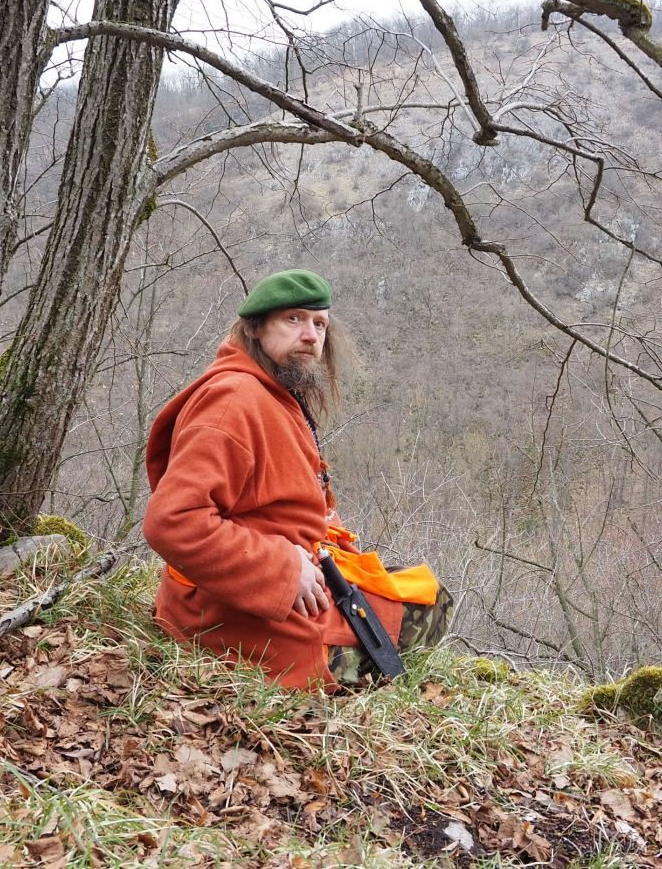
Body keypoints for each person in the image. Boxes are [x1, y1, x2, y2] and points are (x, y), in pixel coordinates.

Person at [142, 269, 450, 691]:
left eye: (319, 324)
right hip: (228, 610)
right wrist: (283, 569)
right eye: (294, 319)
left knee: (424, 593)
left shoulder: (272, 391)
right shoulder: (233, 401)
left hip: (277, 581)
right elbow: (172, 521)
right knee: (425, 615)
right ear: (254, 327)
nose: (310, 335)